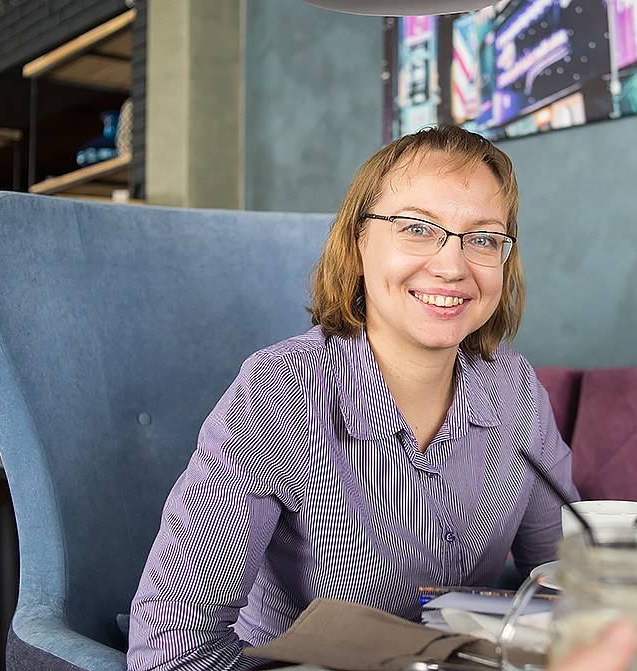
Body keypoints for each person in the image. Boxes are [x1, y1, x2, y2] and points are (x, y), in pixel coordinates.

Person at [127, 124, 578, 670]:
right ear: (359, 241)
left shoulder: (515, 390)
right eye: (417, 228)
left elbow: (563, 576)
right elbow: (169, 651)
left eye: (482, 239)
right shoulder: (281, 391)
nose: (453, 266)